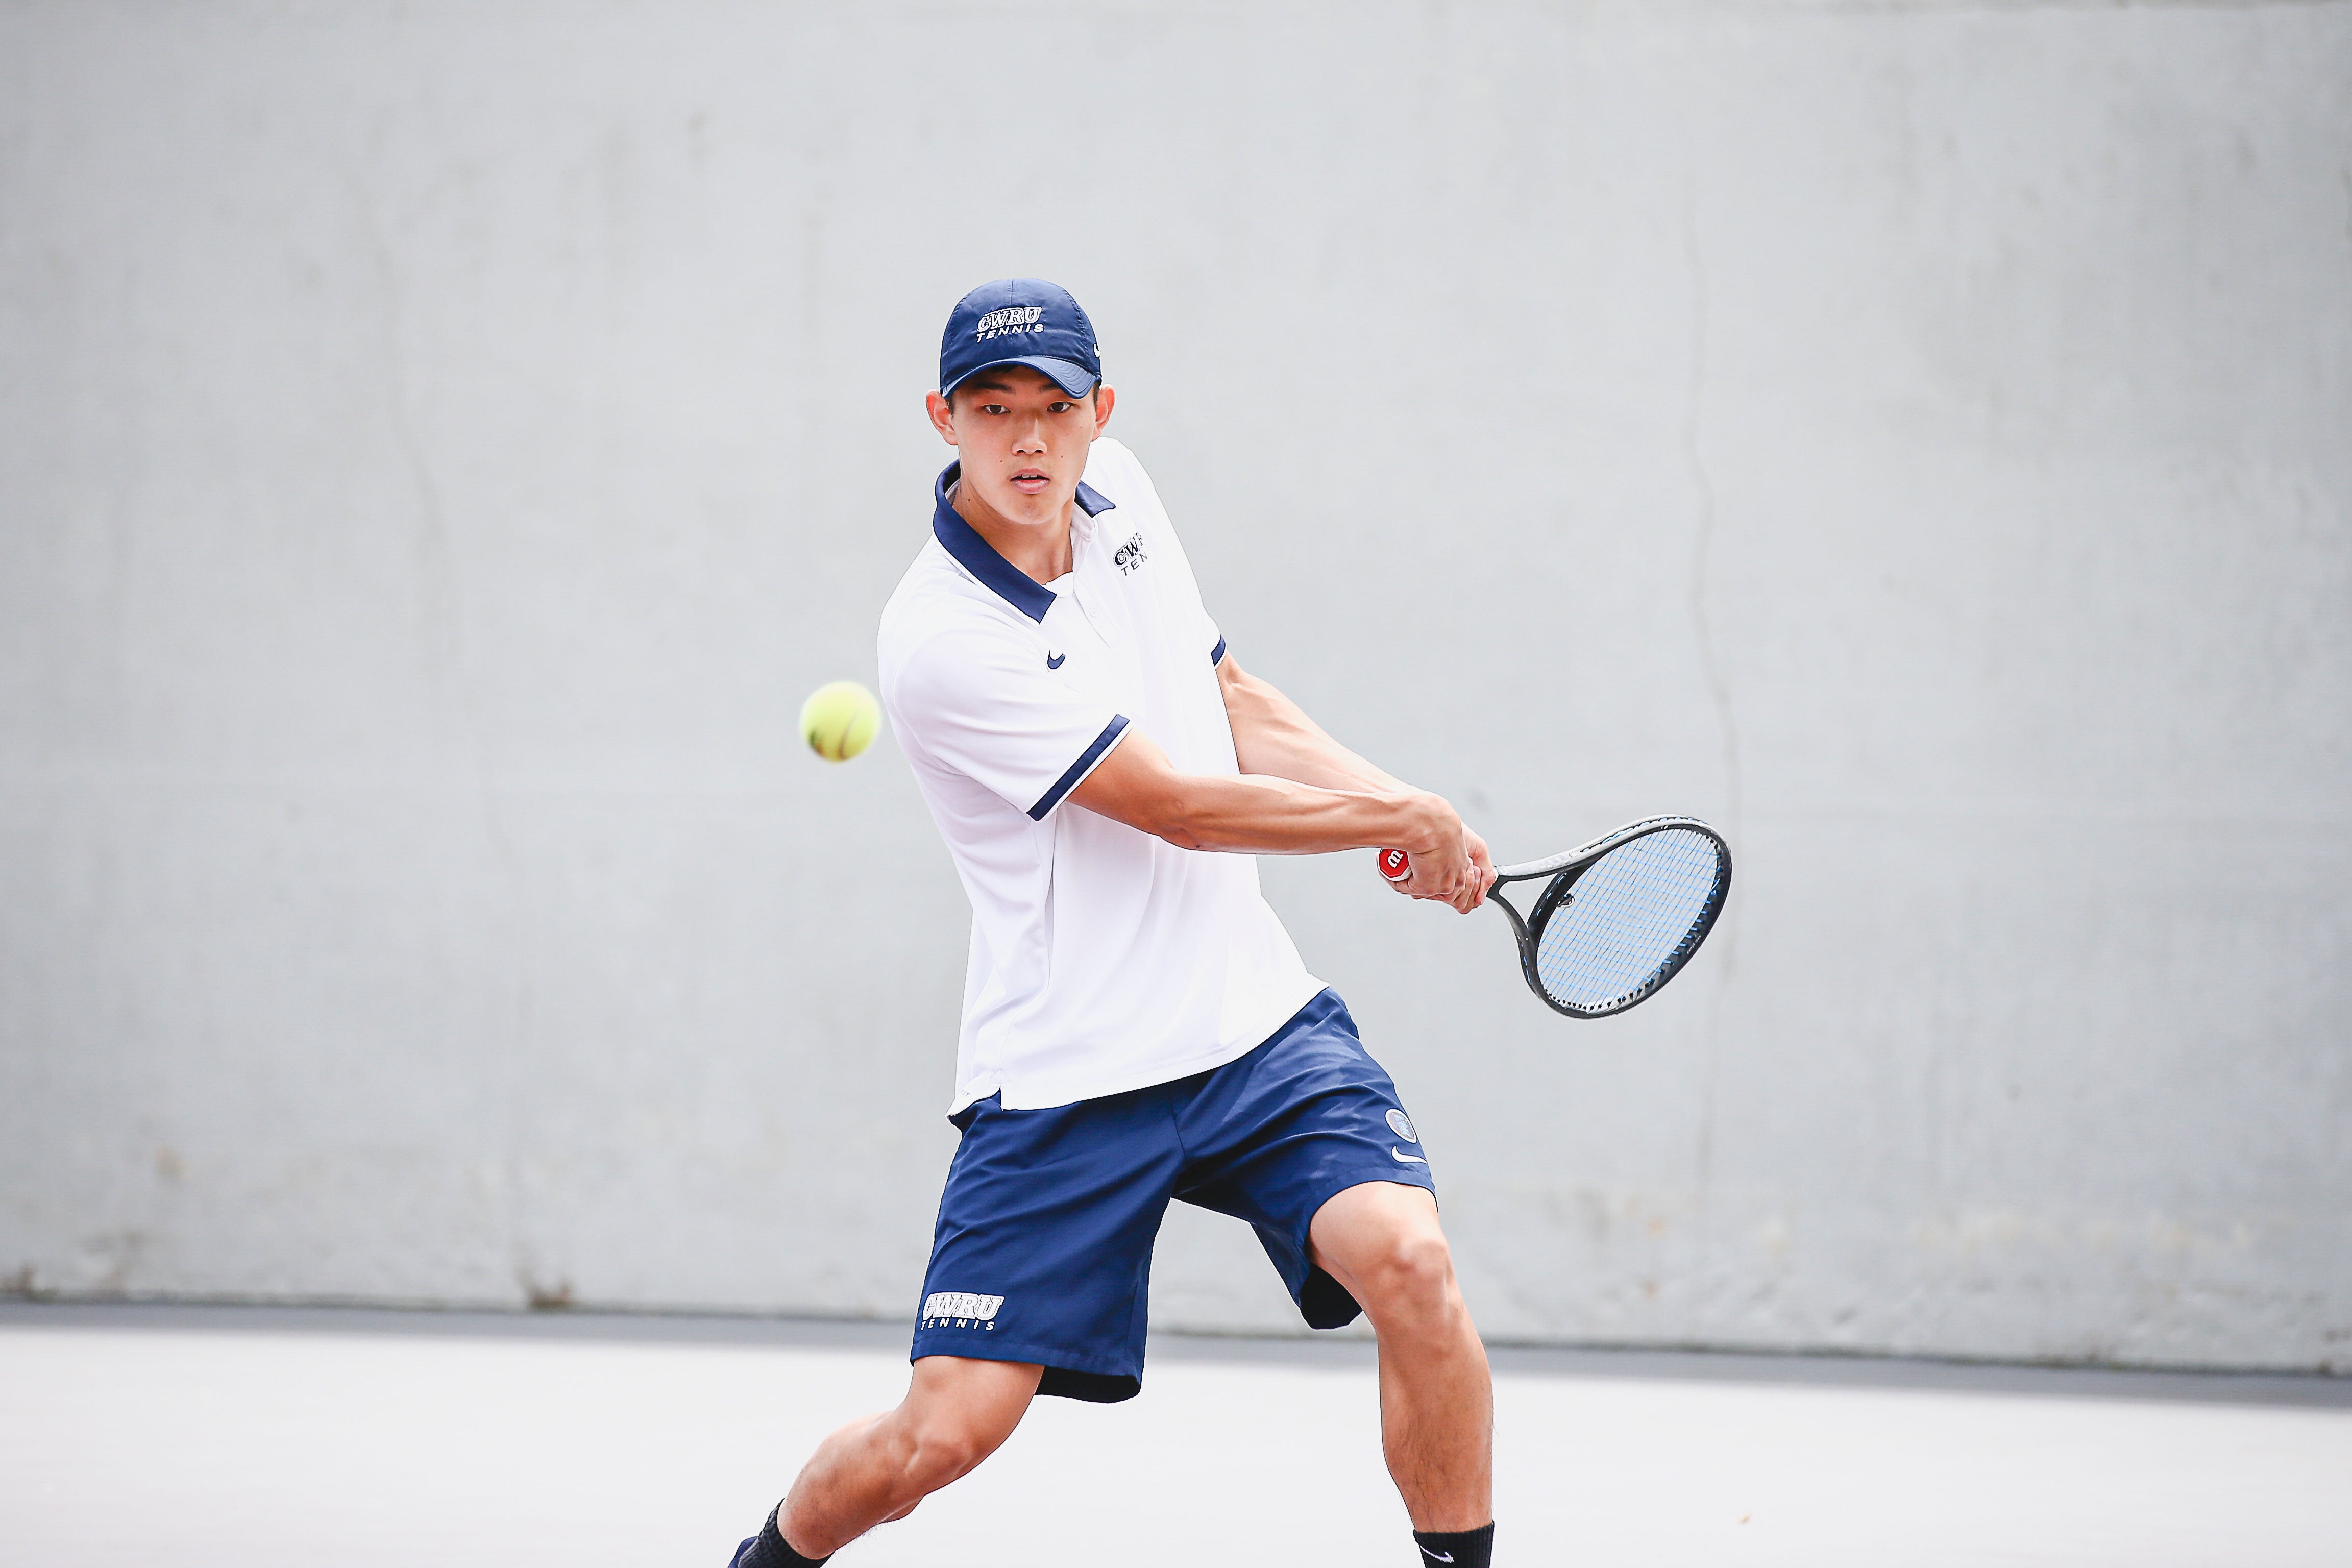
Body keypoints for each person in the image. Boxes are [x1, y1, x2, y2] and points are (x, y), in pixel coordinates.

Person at [729, 279, 1499, 1568]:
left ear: (1101, 411)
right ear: (943, 418)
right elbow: (1177, 806)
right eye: (993, 410)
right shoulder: (938, 640)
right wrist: (1394, 819)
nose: (1029, 441)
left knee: (1413, 1267)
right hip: (1070, 1073)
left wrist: (1396, 806)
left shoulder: (1123, 493)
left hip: (1250, 1025)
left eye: (1056, 407)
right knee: (944, 1436)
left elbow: (1228, 697)